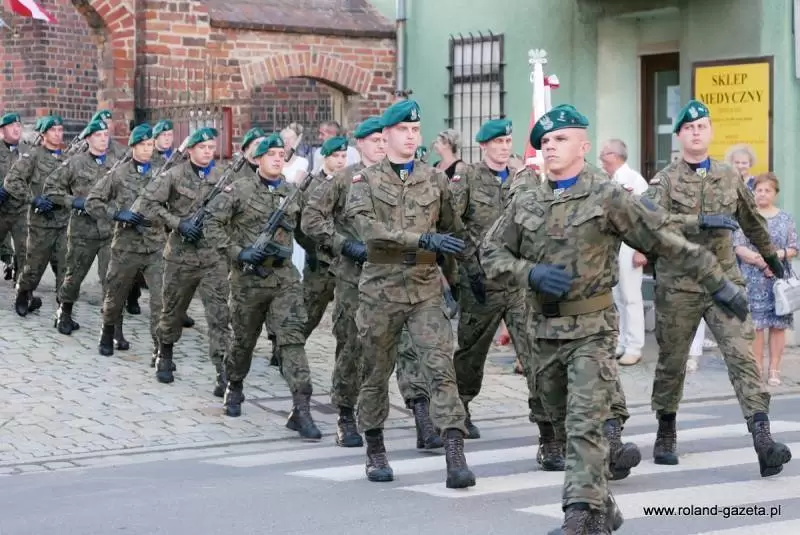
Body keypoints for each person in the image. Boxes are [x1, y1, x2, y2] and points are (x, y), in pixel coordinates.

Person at [480, 103, 750, 533]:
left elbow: (663, 237)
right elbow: (490, 252)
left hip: (592, 330)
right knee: (563, 424)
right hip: (541, 332)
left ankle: (578, 516)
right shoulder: (527, 199)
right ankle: (604, 508)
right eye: (545, 140)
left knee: (586, 421)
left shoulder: (607, 196)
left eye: (560, 138)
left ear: (583, 146)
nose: (550, 146)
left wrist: (718, 282)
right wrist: (528, 272)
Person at [643, 99, 791, 477]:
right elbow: (649, 224)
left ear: (710, 132)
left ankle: (763, 439)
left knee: (742, 357)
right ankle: (666, 430)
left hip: (725, 282)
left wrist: (772, 259)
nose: (696, 132)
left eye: (702, 126)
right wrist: (697, 221)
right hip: (679, 285)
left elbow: (753, 221)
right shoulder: (664, 180)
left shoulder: (729, 176)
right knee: (673, 361)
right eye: (689, 128)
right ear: (679, 136)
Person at [344, 99, 475, 488]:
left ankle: (455, 455)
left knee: (440, 369)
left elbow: (452, 233)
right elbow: (369, 232)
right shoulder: (364, 182)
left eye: (415, 130)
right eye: (403, 130)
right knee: (375, 371)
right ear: (385, 136)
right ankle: (375, 449)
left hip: (424, 289)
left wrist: (465, 277)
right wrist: (422, 239)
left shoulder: (435, 180)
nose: (411, 136)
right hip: (380, 291)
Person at [302, 116, 439, 449]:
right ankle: (345, 415)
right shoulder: (345, 179)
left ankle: (422, 415)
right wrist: (342, 244)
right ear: (359, 144)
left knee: (409, 348)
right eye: (374, 140)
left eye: (383, 139)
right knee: (352, 347)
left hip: (400, 278)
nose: (381, 144)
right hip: (355, 279)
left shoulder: (403, 177)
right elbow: (311, 219)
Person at [204, 133, 322, 440]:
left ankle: (302, 408)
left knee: (292, 340)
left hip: (284, 278)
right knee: (243, 341)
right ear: (257, 159)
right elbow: (211, 224)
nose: (278, 159)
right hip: (248, 280)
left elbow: (303, 231)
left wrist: (318, 255)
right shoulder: (239, 189)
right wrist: (238, 252)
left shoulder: (292, 193)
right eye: (271, 154)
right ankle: (234, 385)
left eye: (282, 154)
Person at [448, 119, 547, 450]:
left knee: (534, 350)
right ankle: (459, 408)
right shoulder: (467, 178)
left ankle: (546, 422)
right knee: (471, 352)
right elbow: (452, 225)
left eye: (507, 141)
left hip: (517, 283)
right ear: (484, 146)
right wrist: (469, 267)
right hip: (482, 282)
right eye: (498, 142)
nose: (504, 147)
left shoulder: (524, 178)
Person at [137, 126, 231, 395]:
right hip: (180, 257)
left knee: (219, 316)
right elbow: (147, 204)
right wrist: (177, 224)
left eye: (211, 147)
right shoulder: (174, 175)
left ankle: (223, 372)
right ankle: (165, 354)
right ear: (190, 150)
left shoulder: (222, 176)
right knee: (172, 311)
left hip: (213, 258)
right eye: (202, 148)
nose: (208, 152)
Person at [86, 123, 165, 361]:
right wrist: (118, 214)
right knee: (115, 296)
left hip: (155, 246)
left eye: (150, 144)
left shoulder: (162, 174)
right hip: (125, 247)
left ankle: (161, 348)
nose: (148, 149)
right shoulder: (118, 174)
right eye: (143, 145)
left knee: (160, 300)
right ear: (133, 147)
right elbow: (92, 201)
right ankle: (108, 331)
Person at [47, 119, 115, 337]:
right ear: (88, 139)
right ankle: (64, 311)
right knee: (74, 276)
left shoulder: (115, 164)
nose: (103, 139)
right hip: (82, 231)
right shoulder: (75, 163)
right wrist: (72, 201)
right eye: (98, 135)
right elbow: (50, 188)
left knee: (111, 279)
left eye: (105, 135)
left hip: (109, 231)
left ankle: (111, 325)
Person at [734, 172, 798, 385]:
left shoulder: (785, 218)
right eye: (759, 190)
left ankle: (774, 370)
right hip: (753, 279)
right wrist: (762, 262)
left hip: (779, 280)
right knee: (756, 326)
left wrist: (774, 258)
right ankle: (757, 368)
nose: (762, 194)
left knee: (778, 325)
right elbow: (738, 246)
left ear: (775, 193)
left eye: (767, 190)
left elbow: (794, 247)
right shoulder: (746, 216)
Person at [5, 115, 68, 316]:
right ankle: (23, 293)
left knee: (64, 266)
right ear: (43, 134)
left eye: (60, 130)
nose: (57, 134)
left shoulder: (68, 159)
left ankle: (64, 309)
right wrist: (33, 199)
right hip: (41, 223)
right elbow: (12, 181)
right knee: (33, 267)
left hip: (64, 223)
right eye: (53, 130)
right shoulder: (33, 156)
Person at [599, 138, 649, 366]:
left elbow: (645, 217)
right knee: (617, 297)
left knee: (631, 297)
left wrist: (642, 249)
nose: (601, 157)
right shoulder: (609, 180)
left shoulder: (634, 180)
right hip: (612, 245)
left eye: (604, 153)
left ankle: (634, 346)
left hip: (631, 245)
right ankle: (621, 341)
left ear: (614, 155)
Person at [0, 112, 30, 286]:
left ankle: (21, 285)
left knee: (24, 247)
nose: (16, 129)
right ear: (2, 130)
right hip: (1, 207)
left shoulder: (28, 151)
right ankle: (8, 260)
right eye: (12, 126)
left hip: (21, 208)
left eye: (18, 125)